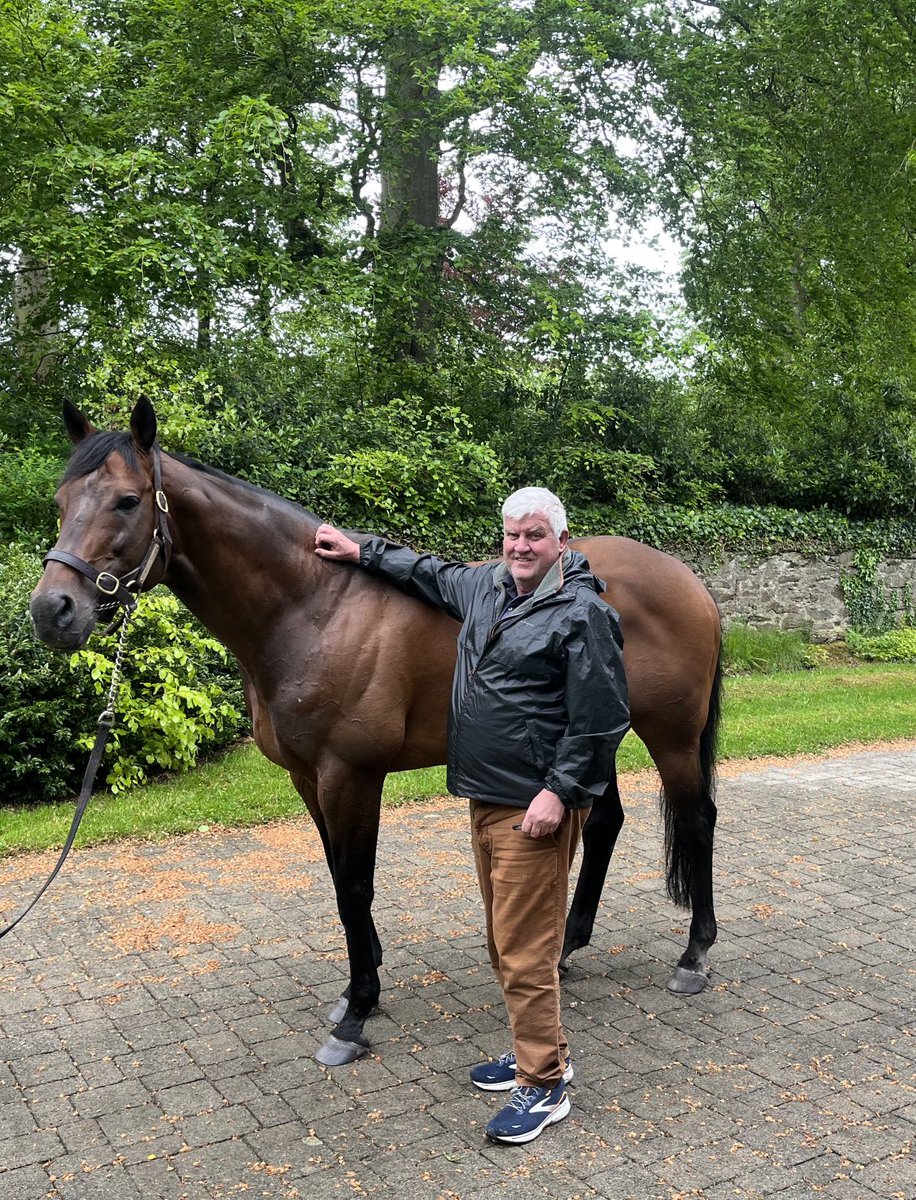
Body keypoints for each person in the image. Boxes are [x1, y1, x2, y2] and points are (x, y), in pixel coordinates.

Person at [314, 487, 629, 1145]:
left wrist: (559, 792)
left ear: (561, 542)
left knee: (525, 950)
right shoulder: (487, 588)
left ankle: (544, 1085)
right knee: (503, 940)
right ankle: (531, 1050)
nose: (520, 546)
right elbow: (425, 571)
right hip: (486, 797)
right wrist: (358, 548)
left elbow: (601, 720)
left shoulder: (581, 613)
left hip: (534, 807)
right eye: (511, 535)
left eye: (534, 536)